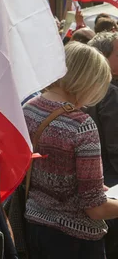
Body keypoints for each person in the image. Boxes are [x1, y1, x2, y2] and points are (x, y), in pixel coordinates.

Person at [24, 41, 118, 259]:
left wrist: (96, 187)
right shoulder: (81, 124)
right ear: (89, 81)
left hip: (35, 225)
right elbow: (94, 209)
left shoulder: (30, 107)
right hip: (76, 238)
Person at [87, 32, 118, 186]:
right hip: (110, 179)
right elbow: (115, 144)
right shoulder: (109, 91)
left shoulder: (85, 85)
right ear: (103, 58)